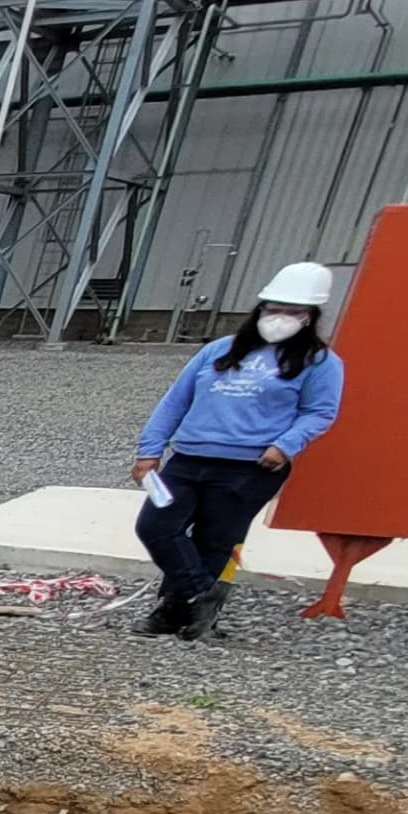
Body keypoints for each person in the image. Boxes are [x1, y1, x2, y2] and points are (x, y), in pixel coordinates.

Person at [129, 262, 346, 638]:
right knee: (156, 526)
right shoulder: (219, 351)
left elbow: (320, 412)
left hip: (251, 467)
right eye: (272, 308)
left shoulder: (321, 363)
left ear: (309, 317)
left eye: (291, 311)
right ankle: (201, 594)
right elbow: (175, 401)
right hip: (188, 460)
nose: (279, 317)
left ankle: (173, 612)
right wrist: (150, 451)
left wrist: (285, 445)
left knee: (214, 539)